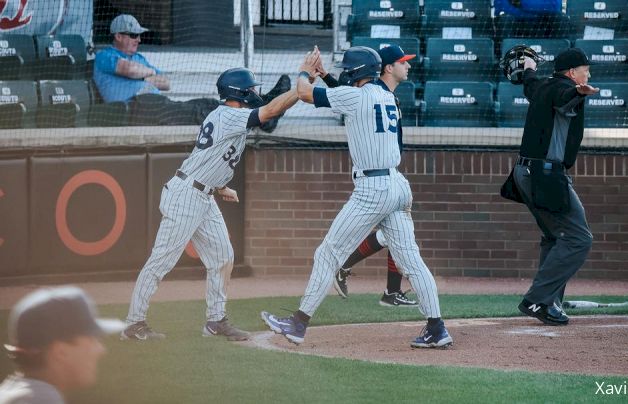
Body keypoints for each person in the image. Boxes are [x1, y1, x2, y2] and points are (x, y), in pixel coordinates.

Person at [261, 46, 453, 348]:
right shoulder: (386, 95)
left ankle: (298, 324)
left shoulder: (357, 96)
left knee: (327, 254)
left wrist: (305, 72)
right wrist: (325, 76)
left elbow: (304, 92)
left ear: (354, 72)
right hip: (398, 184)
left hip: (372, 188)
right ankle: (437, 328)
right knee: (412, 262)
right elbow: (349, 99)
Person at [122, 67, 299, 341]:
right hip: (186, 195)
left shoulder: (228, 116)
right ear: (238, 92)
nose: (255, 93)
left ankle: (215, 321)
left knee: (222, 257)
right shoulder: (229, 114)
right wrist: (301, 88)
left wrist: (220, 187)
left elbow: (210, 157)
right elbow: (269, 112)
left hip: (203, 194)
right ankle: (134, 324)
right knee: (161, 262)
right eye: (251, 89)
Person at [319, 45, 418, 308]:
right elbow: (346, 95)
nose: (407, 66)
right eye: (402, 62)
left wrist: (325, 76)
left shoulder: (383, 93)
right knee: (393, 236)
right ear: (387, 67)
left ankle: (390, 291)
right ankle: (358, 275)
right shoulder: (373, 92)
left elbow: (345, 93)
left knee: (393, 236)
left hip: (390, 175)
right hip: (375, 178)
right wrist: (321, 77)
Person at [507, 48, 597, 326]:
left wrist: (530, 66)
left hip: (527, 173)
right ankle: (538, 299)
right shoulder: (563, 89)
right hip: (544, 176)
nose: (588, 73)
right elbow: (563, 99)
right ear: (572, 73)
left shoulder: (541, 84)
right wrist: (578, 93)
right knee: (579, 238)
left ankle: (549, 301)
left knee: (555, 236)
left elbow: (530, 81)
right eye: (585, 69)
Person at [93, 14, 290, 129]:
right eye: (134, 35)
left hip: (157, 103)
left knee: (207, 103)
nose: (139, 40)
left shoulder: (139, 58)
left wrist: (144, 73)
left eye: (139, 36)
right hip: (135, 109)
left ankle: (263, 109)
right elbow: (128, 69)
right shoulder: (105, 55)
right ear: (118, 36)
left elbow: (165, 82)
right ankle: (263, 117)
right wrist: (148, 75)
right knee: (200, 111)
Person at [0, 286, 124, 404]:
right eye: (92, 339)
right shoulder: (42, 400)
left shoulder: (11, 393)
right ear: (61, 352)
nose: (100, 349)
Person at [494, 0, 571, 39]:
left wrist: (521, 3)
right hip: (517, 25)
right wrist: (536, 7)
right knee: (504, 19)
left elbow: (554, 6)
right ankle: (505, 59)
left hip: (543, 24)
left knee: (560, 18)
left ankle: (560, 59)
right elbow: (501, 7)